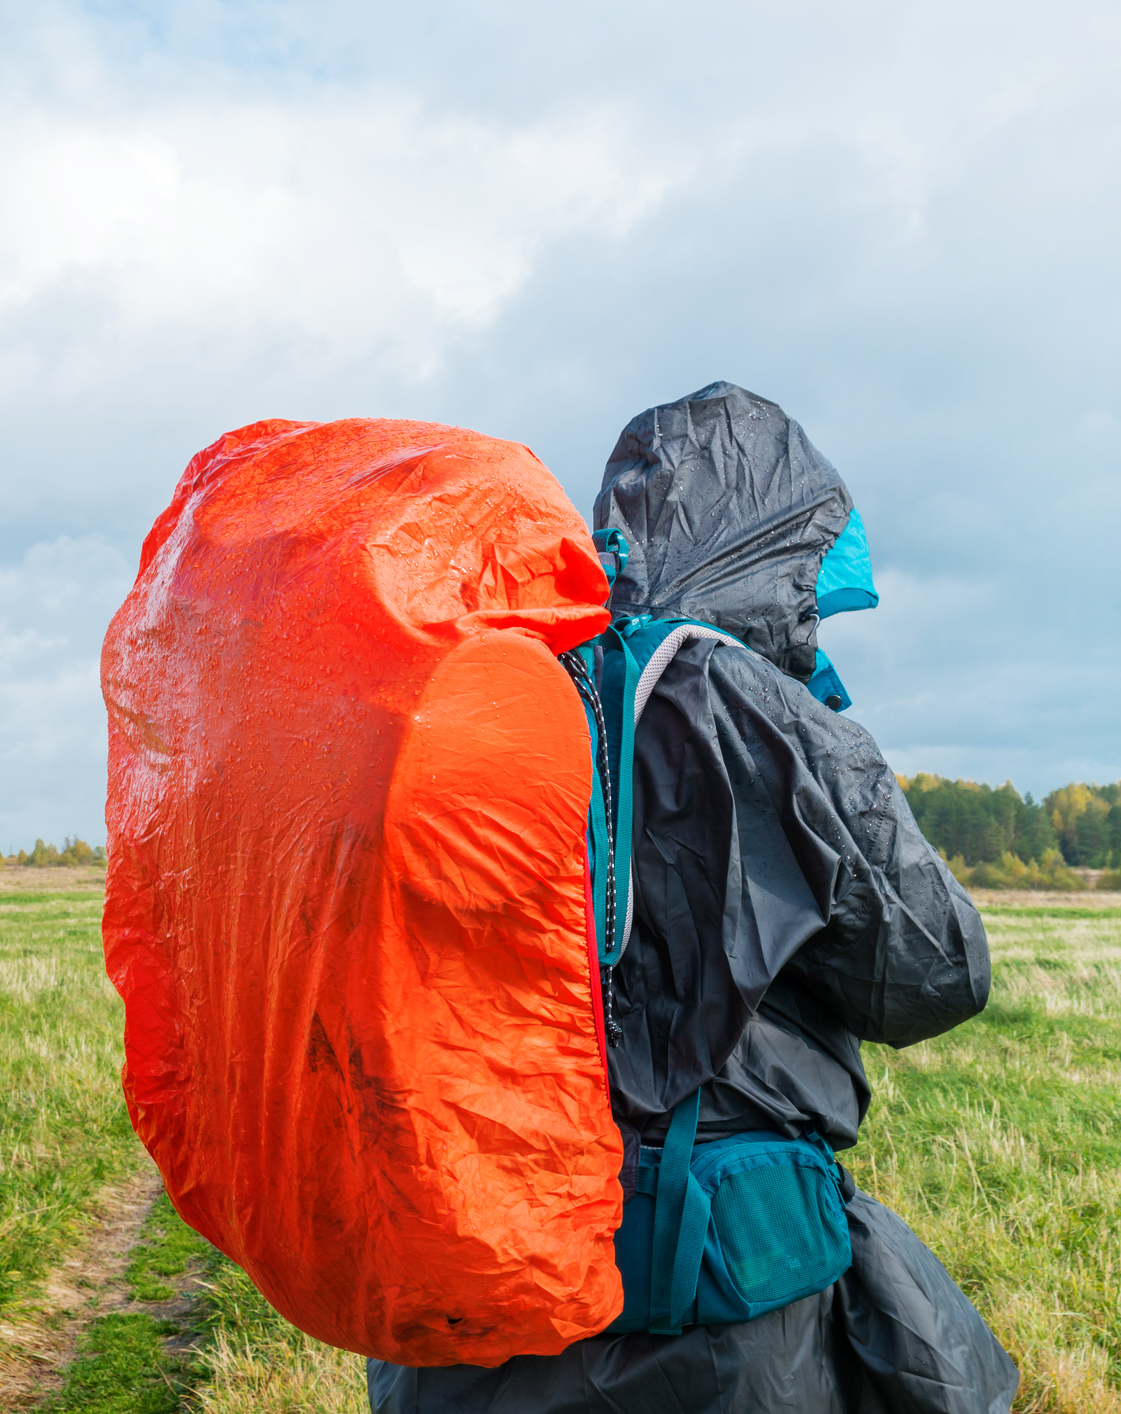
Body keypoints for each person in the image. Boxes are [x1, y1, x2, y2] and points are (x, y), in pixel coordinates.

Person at [368, 383, 1020, 1414]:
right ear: (768, 555)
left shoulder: (485, 697)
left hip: (483, 1262)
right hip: (720, 1300)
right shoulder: (763, 710)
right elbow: (934, 974)